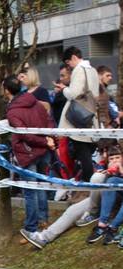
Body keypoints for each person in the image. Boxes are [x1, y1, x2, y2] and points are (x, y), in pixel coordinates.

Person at [4, 75, 56, 238]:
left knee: (30, 191)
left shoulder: (13, 112)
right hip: (44, 150)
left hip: (27, 153)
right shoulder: (36, 102)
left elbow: (25, 135)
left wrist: (43, 142)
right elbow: (49, 120)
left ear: (7, 91)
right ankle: (43, 220)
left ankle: (31, 227)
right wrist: (48, 139)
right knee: (40, 186)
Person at [58, 46, 99, 182]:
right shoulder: (92, 70)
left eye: (69, 62)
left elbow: (73, 94)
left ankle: (87, 187)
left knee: (83, 156)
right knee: (86, 155)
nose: (69, 66)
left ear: (74, 58)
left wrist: (64, 89)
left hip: (77, 119)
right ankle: (89, 184)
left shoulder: (79, 70)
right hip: (90, 116)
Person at [86, 144, 123, 245]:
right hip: (114, 196)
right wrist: (107, 173)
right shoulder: (105, 165)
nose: (115, 160)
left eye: (118, 157)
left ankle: (113, 227)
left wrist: (121, 170)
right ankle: (102, 224)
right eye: (112, 158)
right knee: (111, 181)